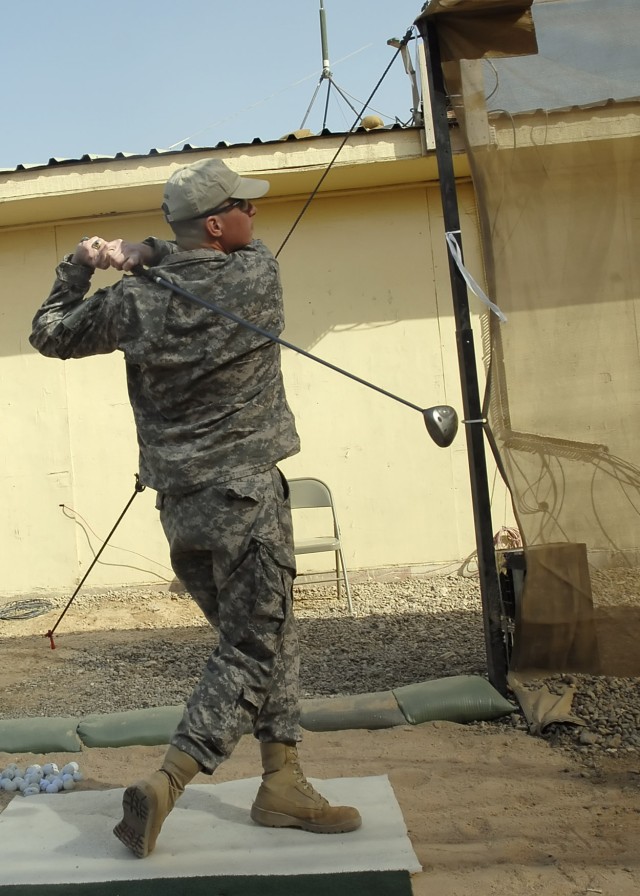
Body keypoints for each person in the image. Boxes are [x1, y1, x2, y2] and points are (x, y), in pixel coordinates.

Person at [29, 157, 361, 858]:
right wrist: (149, 253)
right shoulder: (254, 277)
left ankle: (283, 781)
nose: (255, 213)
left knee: (267, 635)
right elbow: (251, 249)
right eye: (244, 204)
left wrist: (86, 262)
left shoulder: (132, 304)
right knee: (251, 645)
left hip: (181, 511)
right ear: (216, 225)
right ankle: (168, 782)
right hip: (245, 502)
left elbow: (49, 331)